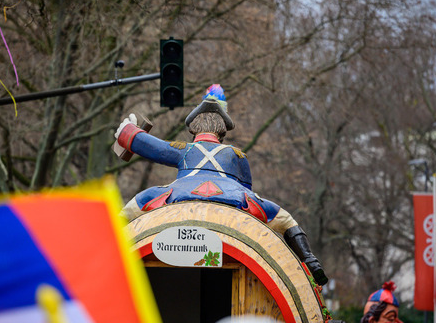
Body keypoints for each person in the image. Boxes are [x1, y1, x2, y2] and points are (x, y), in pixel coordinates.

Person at [114, 85, 328, 285]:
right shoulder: (237, 154)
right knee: (285, 219)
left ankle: (109, 246)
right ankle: (310, 260)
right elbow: (247, 186)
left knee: (134, 205)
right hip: (234, 197)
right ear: (222, 131)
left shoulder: (184, 150)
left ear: (193, 128)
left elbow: (154, 147)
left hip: (180, 193)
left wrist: (127, 131)